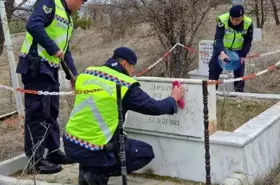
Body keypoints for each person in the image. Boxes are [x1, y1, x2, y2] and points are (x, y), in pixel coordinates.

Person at [62, 47, 185, 185]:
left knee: (94, 145)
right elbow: (154, 107)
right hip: (96, 148)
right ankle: (98, 173)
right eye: (132, 67)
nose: (133, 72)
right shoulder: (124, 84)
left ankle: (87, 174)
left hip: (71, 143)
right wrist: (173, 98)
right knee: (145, 152)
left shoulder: (87, 73)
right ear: (125, 64)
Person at [15, 0, 86, 174]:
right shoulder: (50, 3)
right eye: (82, 2)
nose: (81, 6)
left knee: (52, 112)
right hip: (36, 66)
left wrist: (72, 76)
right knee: (38, 112)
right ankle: (36, 160)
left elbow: (65, 49)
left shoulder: (67, 18)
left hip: (50, 69)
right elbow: (33, 24)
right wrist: (52, 48)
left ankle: (53, 152)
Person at [208, 4, 253, 92]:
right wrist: (222, 52)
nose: (234, 21)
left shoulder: (248, 22)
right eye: (232, 18)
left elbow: (248, 41)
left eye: (237, 19)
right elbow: (218, 38)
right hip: (222, 48)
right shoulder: (222, 20)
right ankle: (211, 93)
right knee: (214, 70)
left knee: (239, 75)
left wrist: (243, 55)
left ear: (242, 17)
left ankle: (239, 94)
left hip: (238, 50)